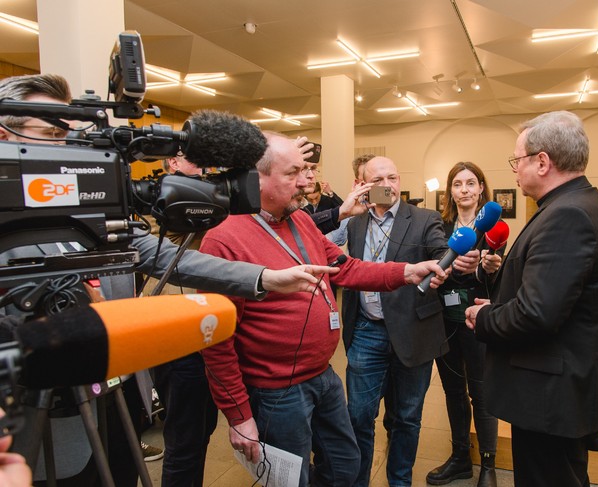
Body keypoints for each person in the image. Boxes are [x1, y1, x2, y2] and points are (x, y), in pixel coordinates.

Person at [0, 73, 338, 487]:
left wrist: (264, 277)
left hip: (118, 385)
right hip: (39, 406)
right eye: (53, 132)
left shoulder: (93, 208)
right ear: (5, 136)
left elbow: (160, 255)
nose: (69, 144)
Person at [198, 132, 446, 487]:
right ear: (257, 179)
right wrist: (239, 416)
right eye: (293, 173)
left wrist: (406, 272)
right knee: (291, 478)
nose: (305, 181)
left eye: (305, 170)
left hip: (322, 377)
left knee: (345, 465)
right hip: (276, 391)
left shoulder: (298, 220)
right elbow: (217, 340)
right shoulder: (223, 239)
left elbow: (345, 267)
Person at [465, 111, 598, 487]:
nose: (514, 170)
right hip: (561, 387)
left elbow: (537, 313)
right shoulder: (579, 203)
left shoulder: (567, 214)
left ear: (542, 162)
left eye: (517, 160)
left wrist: (485, 318)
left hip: (554, 394)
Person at [341, 156, 479, 487]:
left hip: (413, 331)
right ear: (363, 185)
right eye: (378, 179)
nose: (387, 184)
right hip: (366, 332)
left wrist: (454, 262)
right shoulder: (355, 223)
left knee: (407, 417)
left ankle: (399, 481)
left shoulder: (424, 218)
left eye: (393, 177)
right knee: (359, 416)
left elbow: (440, 251)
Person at [426, 162, 503, 487]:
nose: (465, 190)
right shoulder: (438, 226)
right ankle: (460, 457)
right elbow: (430, 269)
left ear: (481, 188)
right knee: (453, 391)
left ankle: (488, 464)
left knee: (482, 395)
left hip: (478, 321)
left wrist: (489, 268)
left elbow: (499, 278)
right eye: (458, 184)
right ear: (450, 191)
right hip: (445, 320)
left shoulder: (493, 228)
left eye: (471, 183)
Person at [151, 153, 220, 487]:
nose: (204, 163)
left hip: (202, 329)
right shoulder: (165, 193)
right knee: (184, 439)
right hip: (176, 330)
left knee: (202, 428)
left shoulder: (205, 194)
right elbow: (181, 226)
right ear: (172, 162)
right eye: (192, 156)